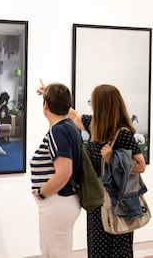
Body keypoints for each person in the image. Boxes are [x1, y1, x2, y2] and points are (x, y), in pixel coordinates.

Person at [67, 84, 146, 257]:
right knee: (97, 249)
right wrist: (49, 94)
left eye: (92, 102)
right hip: (97, 201)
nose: (91, 106)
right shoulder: (94, 125)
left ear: (102, 105)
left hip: (117, 202)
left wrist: (113, 160)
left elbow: (141, 166)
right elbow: (72, 114)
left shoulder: (122, 134)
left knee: (118, 249)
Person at [31, 82, 82, 257]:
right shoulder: (69, 126)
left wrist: (42, 193)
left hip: (57, 201)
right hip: (63, 202)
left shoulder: (58, 131)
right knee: (53, 251)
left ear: (45, 105)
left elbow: (64, 172)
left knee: (56, 253)